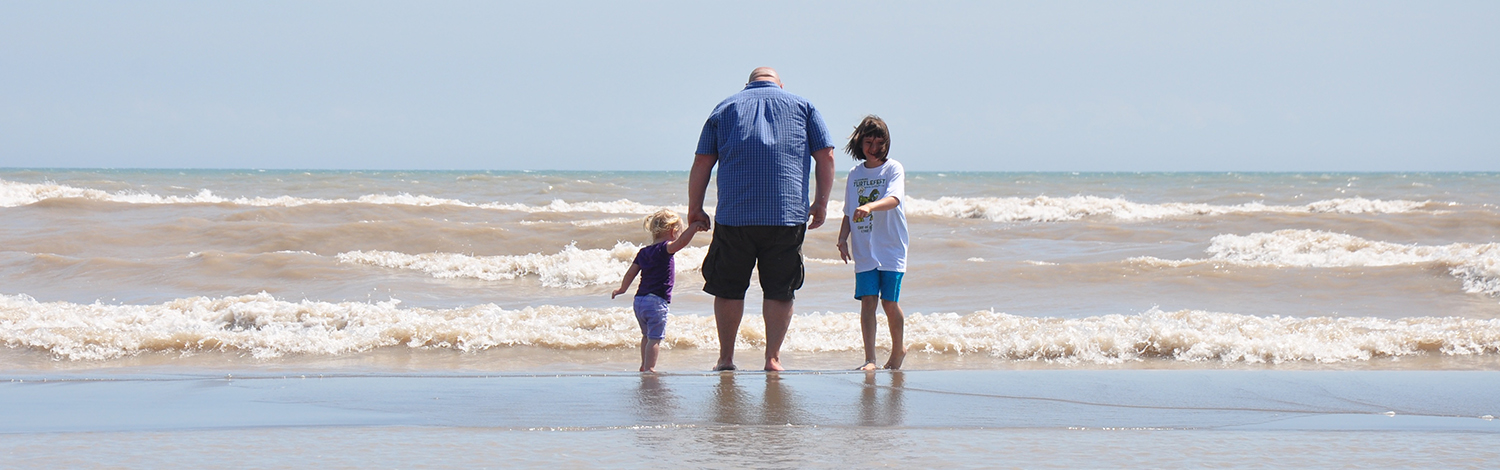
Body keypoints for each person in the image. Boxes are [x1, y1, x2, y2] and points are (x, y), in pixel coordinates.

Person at [688, 67, 836, 371]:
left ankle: (726, 358)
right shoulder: (803, 106)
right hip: (786, 214)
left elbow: (703, 161)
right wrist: (820, 203)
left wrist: (695, 208)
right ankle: (772, 358)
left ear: (748, 84)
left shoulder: (725, 107)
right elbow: (827, 156)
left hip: (735, 214)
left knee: (729, 288)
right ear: (780, 84)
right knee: (780, 289)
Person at [836, 115, 909, 370]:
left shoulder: (893, 169)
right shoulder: (855, 174)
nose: (874, 147)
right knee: (868, 301)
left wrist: (870, 206)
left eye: (880, 142)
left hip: (890, 247)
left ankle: (898, 349)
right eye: (869, 142)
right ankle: (870, 359)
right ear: (860, 143)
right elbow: (848, 209)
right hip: (864, 247)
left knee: (889, 302)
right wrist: (842, 238)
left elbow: (894, 199)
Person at [612, 209, 707, 372]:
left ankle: (643, 365)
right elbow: (682, 242)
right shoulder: (666, 248)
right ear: (673, 231)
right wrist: (694, 228)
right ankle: (650, 368)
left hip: (639, 301)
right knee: (655, 338)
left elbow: (630, 273)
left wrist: (622, 289)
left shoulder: (643, 252)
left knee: (646, 336)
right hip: (656, 301)